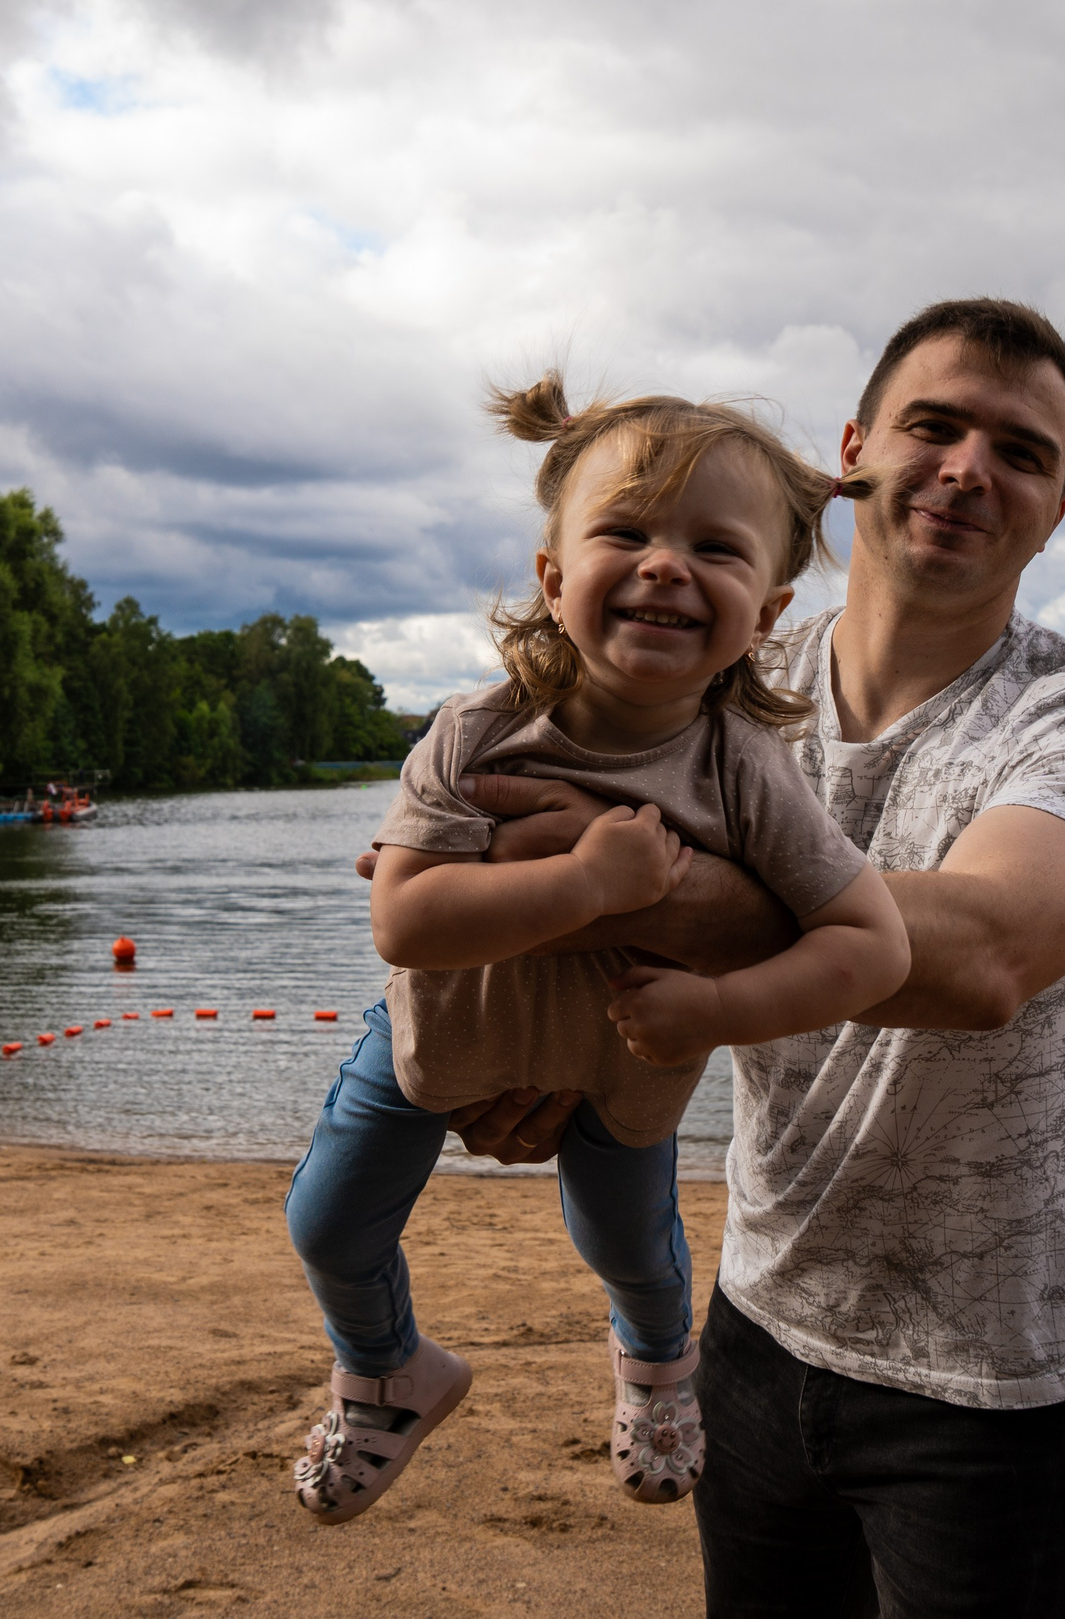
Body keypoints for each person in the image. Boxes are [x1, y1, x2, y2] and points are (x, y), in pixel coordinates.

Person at [436, 300, 1065, 1617]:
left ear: (1058, 507)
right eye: (933, 426)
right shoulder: (716, 687)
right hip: (757, 1330)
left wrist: (642, 890)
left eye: (1020, 450)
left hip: (993, 1386)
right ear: (851, 452)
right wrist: (535, 1069)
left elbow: (991, 947)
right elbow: (539, 893)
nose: (966, 468)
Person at [285, 376, 912, 1525]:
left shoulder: (743, 769)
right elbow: (403, 921)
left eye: (714, 549)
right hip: (432, 1044)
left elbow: (871, 946)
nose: (666, 564)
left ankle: (658, 1358)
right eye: (623, 532)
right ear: (551, 577)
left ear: (766, 613)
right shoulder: (475, 730)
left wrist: (721, 1013)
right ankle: (385, 1371)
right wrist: (585, 884)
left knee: (623, 1243)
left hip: (625, 1069)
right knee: (324, 1221)